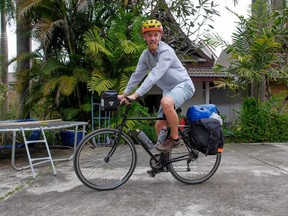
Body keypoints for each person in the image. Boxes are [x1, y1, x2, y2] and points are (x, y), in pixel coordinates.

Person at [118, 19, 195, 153]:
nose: (153, 38)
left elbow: (154, 75)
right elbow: (137, 76)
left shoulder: (166, 52)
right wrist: (125, 94)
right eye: (149, 35)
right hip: (169, 90)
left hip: (184, 85)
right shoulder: (145, 55)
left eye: (155, 35)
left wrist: (135, 95)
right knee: (160, 126)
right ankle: (163, 161)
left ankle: (175, 139)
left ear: (160, 36)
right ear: (145, 37)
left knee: (165, 102)